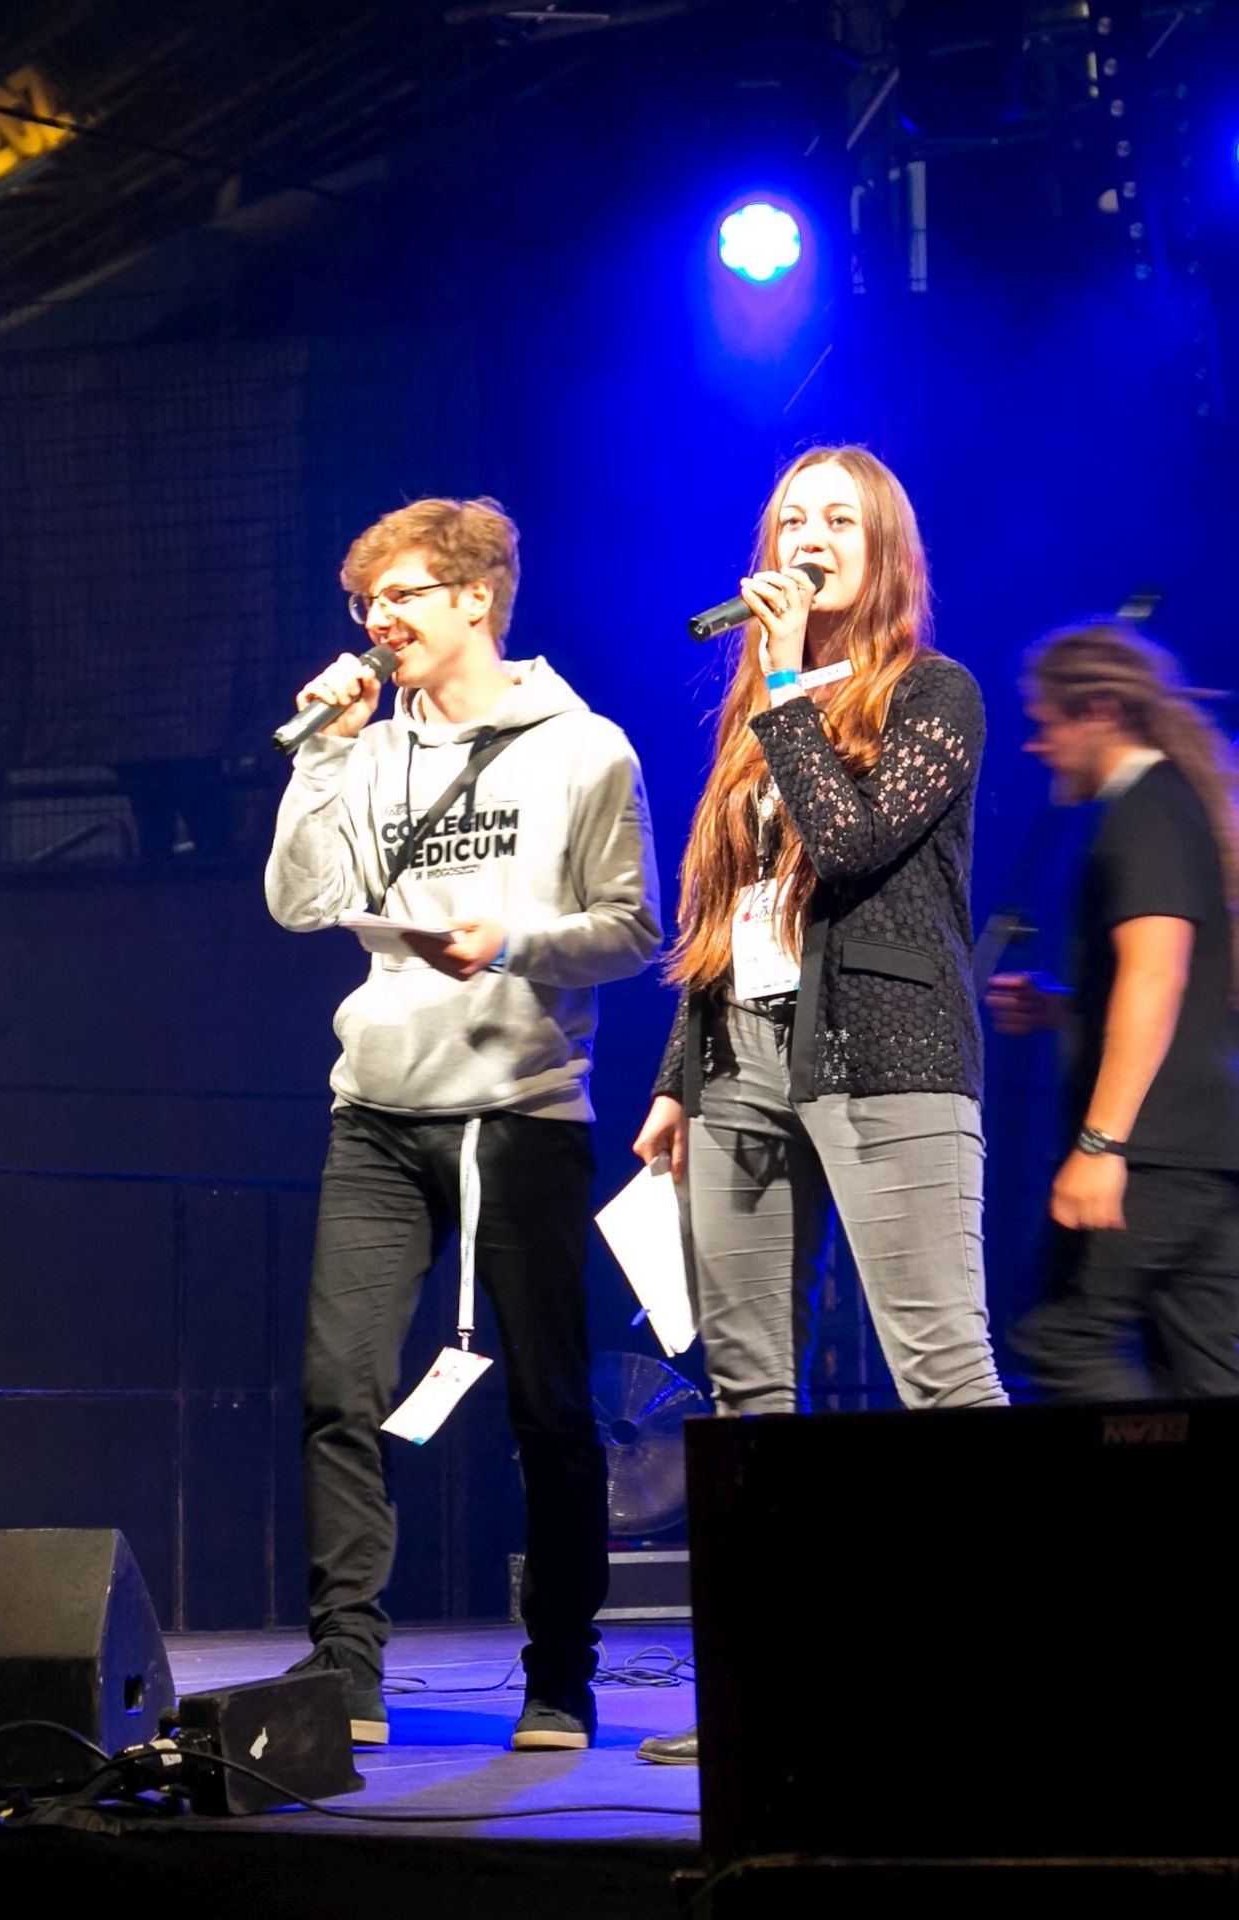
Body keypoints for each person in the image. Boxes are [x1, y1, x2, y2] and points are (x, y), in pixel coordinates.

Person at [264, 496, 661, 1751]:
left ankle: (561, 1676)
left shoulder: (586, 748)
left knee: (548, 1405)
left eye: (401, 595)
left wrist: (511, 942)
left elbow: (633, 930)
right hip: (378, 1112)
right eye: (365, 602)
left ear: (476, 598)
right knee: (339, 1388)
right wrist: (320, 757)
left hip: (521, 1115)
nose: (377, 620)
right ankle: (347, 1668)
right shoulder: (371, 752)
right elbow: (299, 905)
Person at [632, 445, 1006, 1766]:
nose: (810, 537)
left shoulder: (934, 695)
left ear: (883, 549)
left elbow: (848, 845)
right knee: (749, 1393)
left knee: (941, 1372)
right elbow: (732, 910)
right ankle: (760, 1695)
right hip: (737, 1063)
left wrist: (788, 684)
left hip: (888, 1055)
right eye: (792, 517)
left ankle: (1006, 1668)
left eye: (839, 520)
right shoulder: (757, 710)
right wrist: (675, 1081)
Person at [985, 623, 1239, 1399]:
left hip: (1147, 1155)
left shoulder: (1145, 810)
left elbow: (1155, 976)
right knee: (1205, 1376)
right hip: (1205, 1152)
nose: (1035, 746)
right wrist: (1066, 1008)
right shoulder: (1176, 802)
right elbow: (1175, 985)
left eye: (1045, 724)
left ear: (1098, 710)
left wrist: (1099, 1145)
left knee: (1062, 1342)